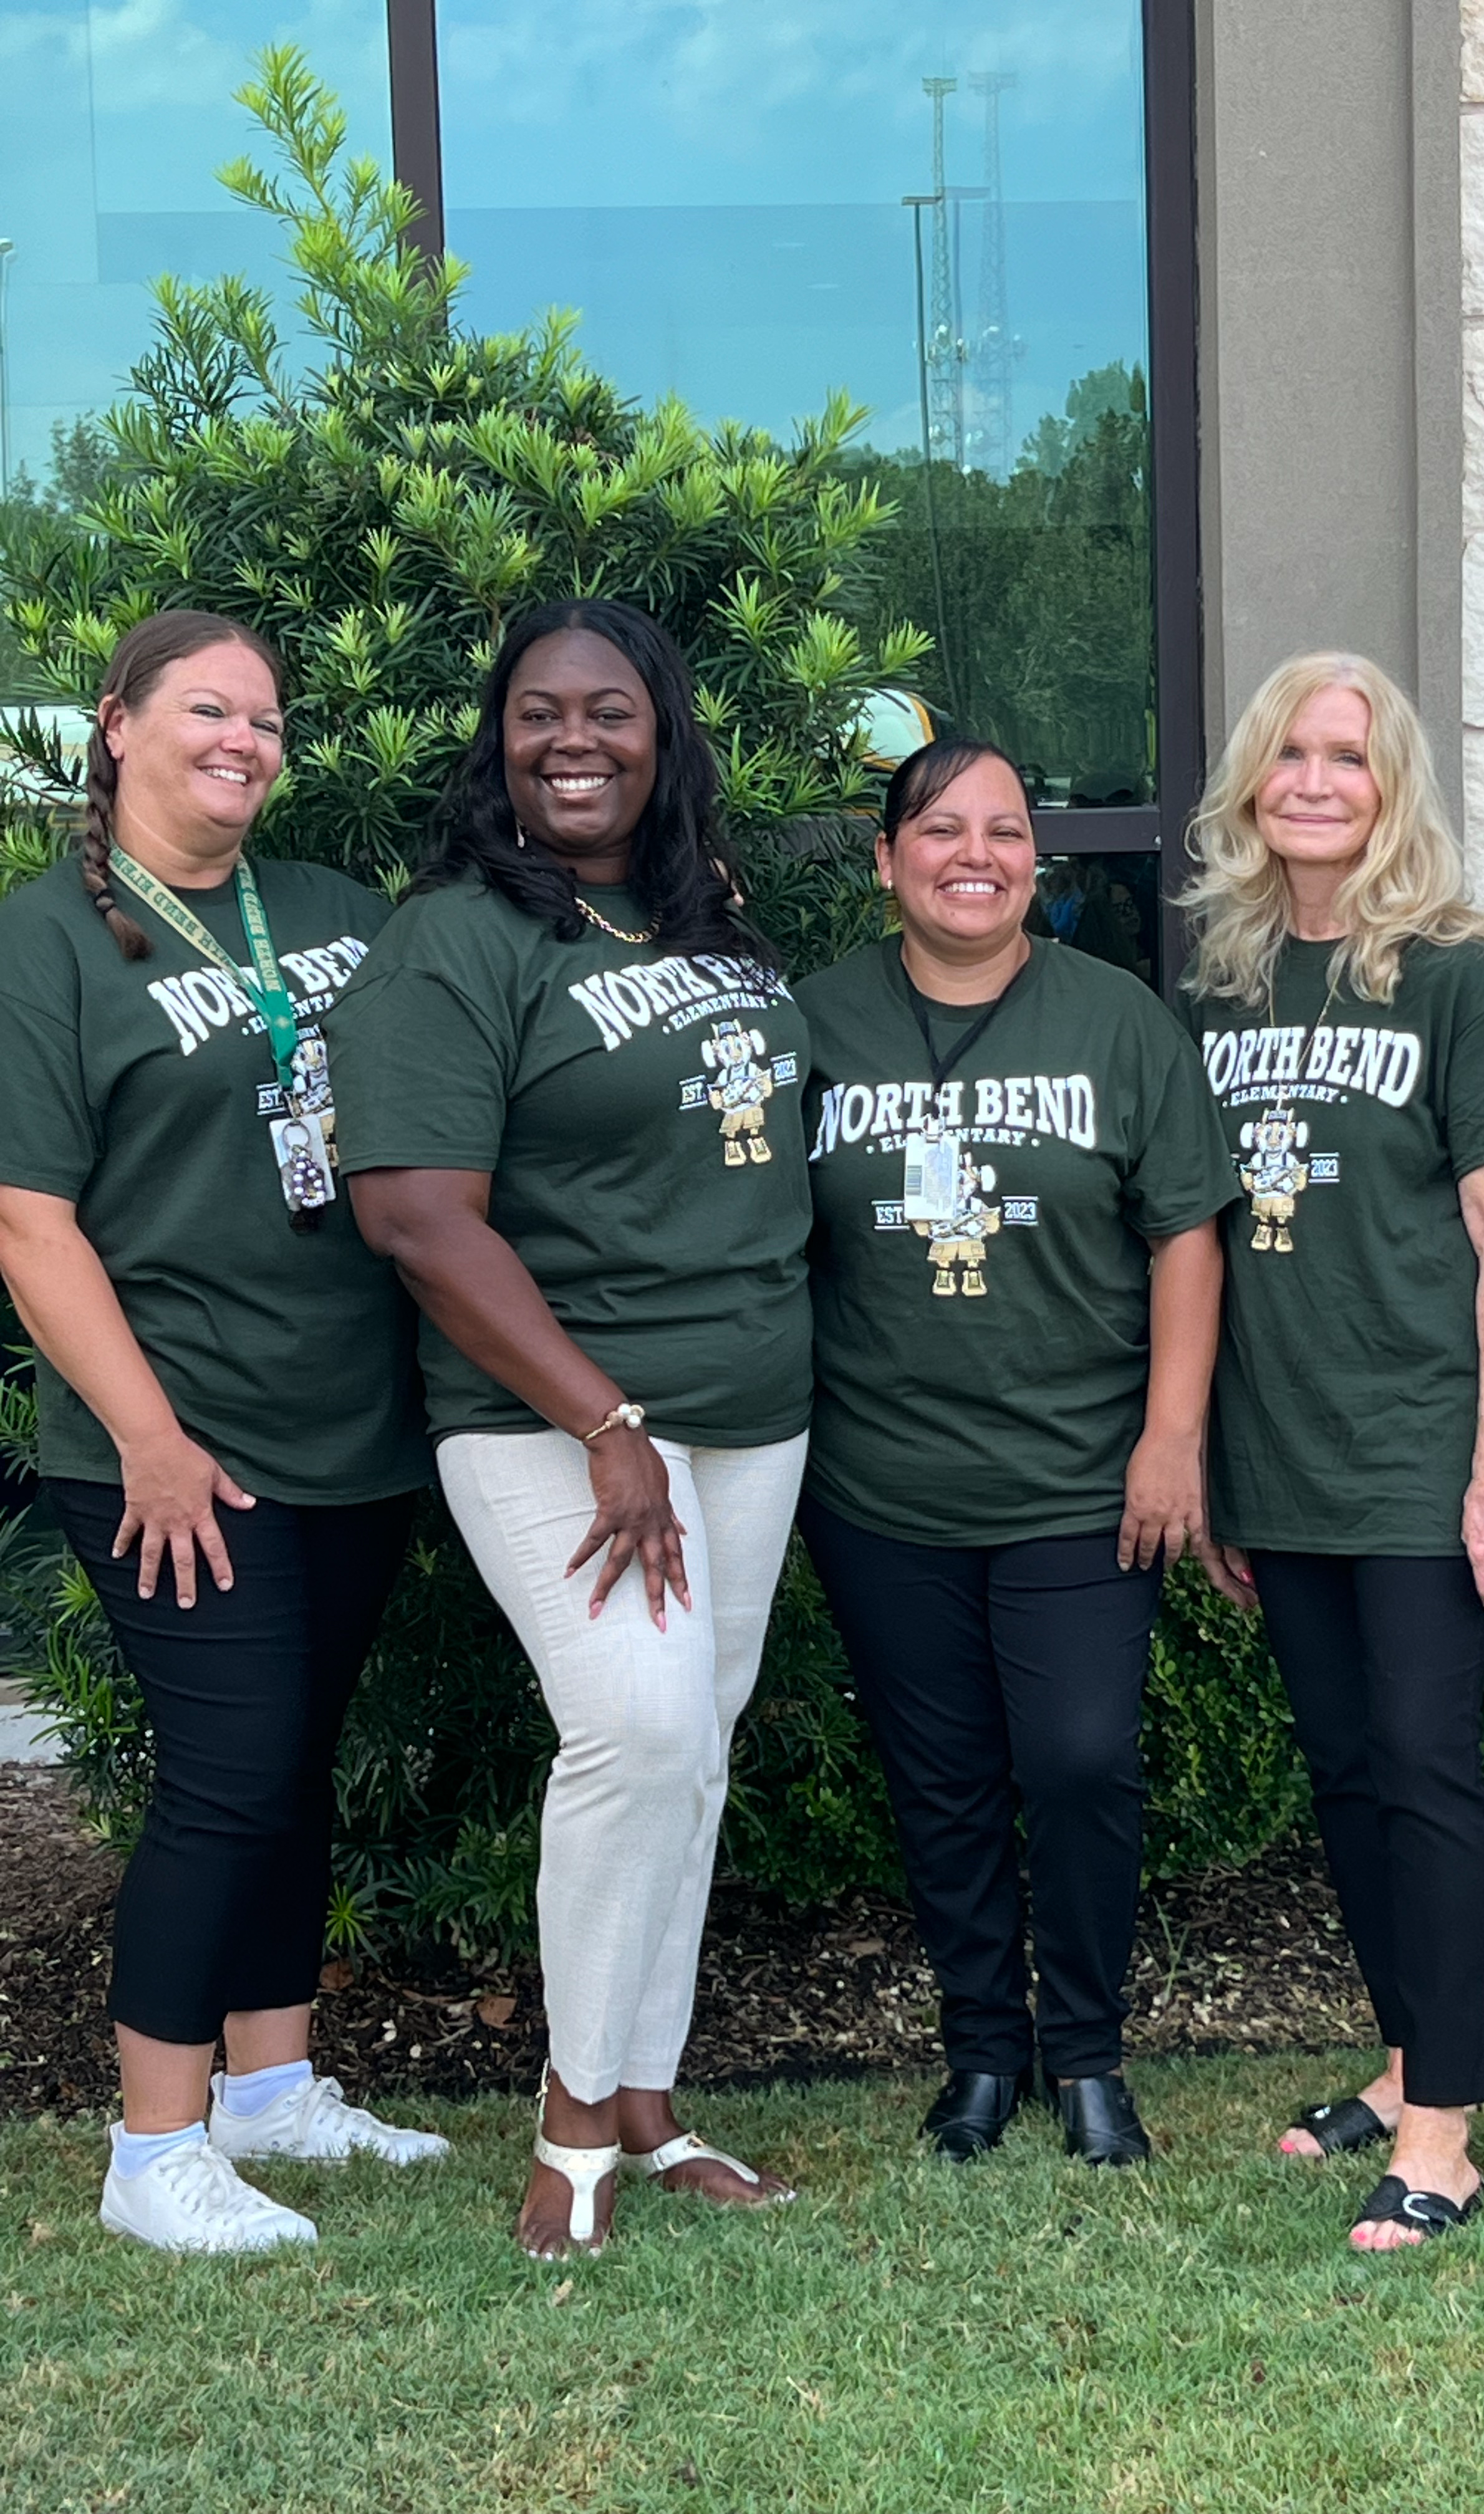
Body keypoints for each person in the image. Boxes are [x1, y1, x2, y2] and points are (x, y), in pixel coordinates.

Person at [327, 599, 809, 2256]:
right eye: (540, 715)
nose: (575, 742)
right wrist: (607, 1419)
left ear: (664, 737)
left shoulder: (700, 919)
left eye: (611, 713)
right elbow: (414, 1217)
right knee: (641, 1733)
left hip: (753, 1420)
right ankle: (573, 2120)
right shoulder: (454, 940)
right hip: (559, 1423)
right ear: (498, 740)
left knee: (693, 1760)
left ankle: (653, 2104)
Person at [0, 611, 442, 2256]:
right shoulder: (42, 944)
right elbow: (29, 1222)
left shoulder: (329, 909)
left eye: (266, 718)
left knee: (291, 1772)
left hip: (353, 1431)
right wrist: (151, 1441)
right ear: (117, 725)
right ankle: (156, 2145)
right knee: (226, 1781)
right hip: (174, 1449)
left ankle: (273, 2090)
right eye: (207, 710)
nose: (244, 741)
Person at [794, 737, 1232, 2167]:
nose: (974, 854)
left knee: (1082, 1756)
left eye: (1004, 831)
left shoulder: (1117, 1021)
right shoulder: (815, 1027)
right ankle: (982, 2054)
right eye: (940, 830)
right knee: (942, 1778)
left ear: (1037, 864)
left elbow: (1185, 1230)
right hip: (882, 1484)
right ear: (886, 860)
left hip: (1080, 1478)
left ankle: (1089, 2051)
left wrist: (1173, 1436)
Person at [1183, 654, 1484, 2250]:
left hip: (1417, 1449)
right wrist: (1199, 1451)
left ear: (1393, 787)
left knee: (1425, 1773)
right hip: (1281, 1451)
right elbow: (1193, 1238)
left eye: (1352, 755)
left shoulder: (1458, 979)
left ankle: (1446, 2133)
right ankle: (1409, 2056)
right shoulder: (1217, 983)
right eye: (1293, 755)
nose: (1320, 782)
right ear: (1254, 787)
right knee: (1345, 1776)